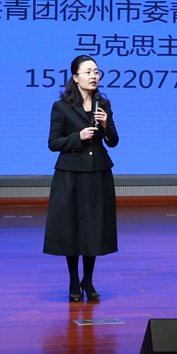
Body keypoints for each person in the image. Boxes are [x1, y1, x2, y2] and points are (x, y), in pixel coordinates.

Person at [43, 55, 119, 302]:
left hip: (98, 173)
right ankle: (74, 280)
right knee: (72, 227)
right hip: (71, 174)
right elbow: (53, 142)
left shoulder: (103, 104)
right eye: (88, 72)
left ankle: (88, 279)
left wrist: (105, 127)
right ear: (75, 77)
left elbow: (114, 141)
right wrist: (78, 137)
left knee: (93, 227)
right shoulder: (61, 106)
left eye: (96, 71)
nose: (93, 76)